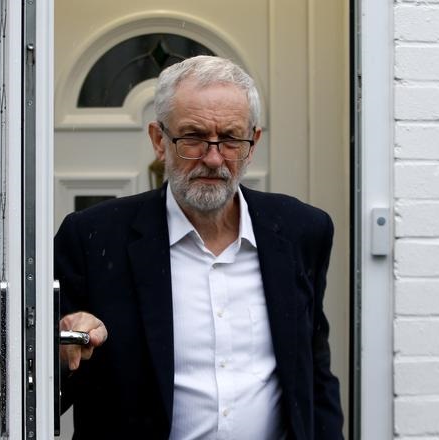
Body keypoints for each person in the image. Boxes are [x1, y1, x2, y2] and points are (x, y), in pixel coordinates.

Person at [55, 55, 343, 439]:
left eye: (230, 139)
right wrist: (61, 351)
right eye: (193, 137)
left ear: (253, 142)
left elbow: (313, 372)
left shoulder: (301, 231)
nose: (213, 158)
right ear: (159, 140)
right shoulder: (92, 238)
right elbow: (44, 390)